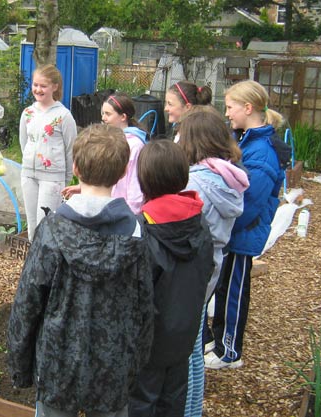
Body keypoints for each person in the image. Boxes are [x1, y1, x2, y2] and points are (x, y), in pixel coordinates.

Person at [8, 123, 154, 417]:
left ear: (75, 167)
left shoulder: (52, 230)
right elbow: (144, 308)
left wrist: (20, 366)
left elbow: (27, 303)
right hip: (112, 365)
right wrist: (134, 364)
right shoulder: (136, 232)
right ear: (124, 171)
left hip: (58, 362)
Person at [204, 80, 287, 369]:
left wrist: (223, 225)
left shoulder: (261, 152)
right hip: (233, 232)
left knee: (234, 292)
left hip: (242, 233)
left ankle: (230, 351)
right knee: (224, 288)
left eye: (230, 107)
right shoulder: (246, 140)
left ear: (247, 108)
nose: (226, 114)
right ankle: (218, 340)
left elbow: (249, 204)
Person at [129, 140, 214, 417]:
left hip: (149, 342)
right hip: (184, 334)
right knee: (173, 400)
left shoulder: (143, 230)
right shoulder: (199, 222)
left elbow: (135, 291)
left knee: (141, 401)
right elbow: (207, 271)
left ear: (144, 178)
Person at [177, 108, 249, 417]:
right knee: (193, 338)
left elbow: (181, 233)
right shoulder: (227, 175)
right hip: (213, 263)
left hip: (191, 270)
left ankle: (187, 408)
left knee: (182, 347)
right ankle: (193, 407)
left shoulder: (195, 182)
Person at [62, 92, 147, 213]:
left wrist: (131, 214)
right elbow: (105, 174)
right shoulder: (110, 139)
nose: (103, 118)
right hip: (109, 208)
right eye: (102, 113)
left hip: (123, 212)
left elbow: (135, 186)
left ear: (123, 117)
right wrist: (84, 188)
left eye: (108, 114)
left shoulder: (135, 145)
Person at [20, 64, 77, 240]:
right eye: (35, 85)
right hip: (29, 175)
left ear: (54, 87)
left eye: (43, 86)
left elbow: (71, 149)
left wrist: (66, 178)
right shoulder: (28, 113)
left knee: (45, 224)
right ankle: (33, 261)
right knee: (31, 224)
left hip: (53, 177)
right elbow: (24, 142)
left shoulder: (63, 115)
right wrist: (28, 163)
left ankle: (47, 264)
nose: (38, 89)